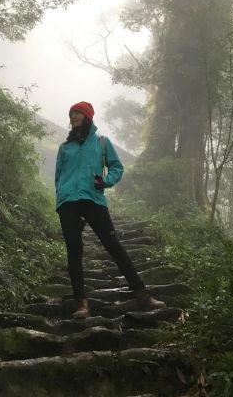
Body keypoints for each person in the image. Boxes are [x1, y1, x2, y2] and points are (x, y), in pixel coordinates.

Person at [55, 100, 165, 319]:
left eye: (78, 113)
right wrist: (62, 197)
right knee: (74, 251)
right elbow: (59, 176)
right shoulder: (64, 147)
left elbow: (117, 167)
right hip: (68, 202)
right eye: (72, 114)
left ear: (87, 117)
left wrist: (105, 182)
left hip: (93, 199)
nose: (74, 117)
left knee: (113, 245)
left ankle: (142, 295)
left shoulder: (102, 142)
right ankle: (81, 304)